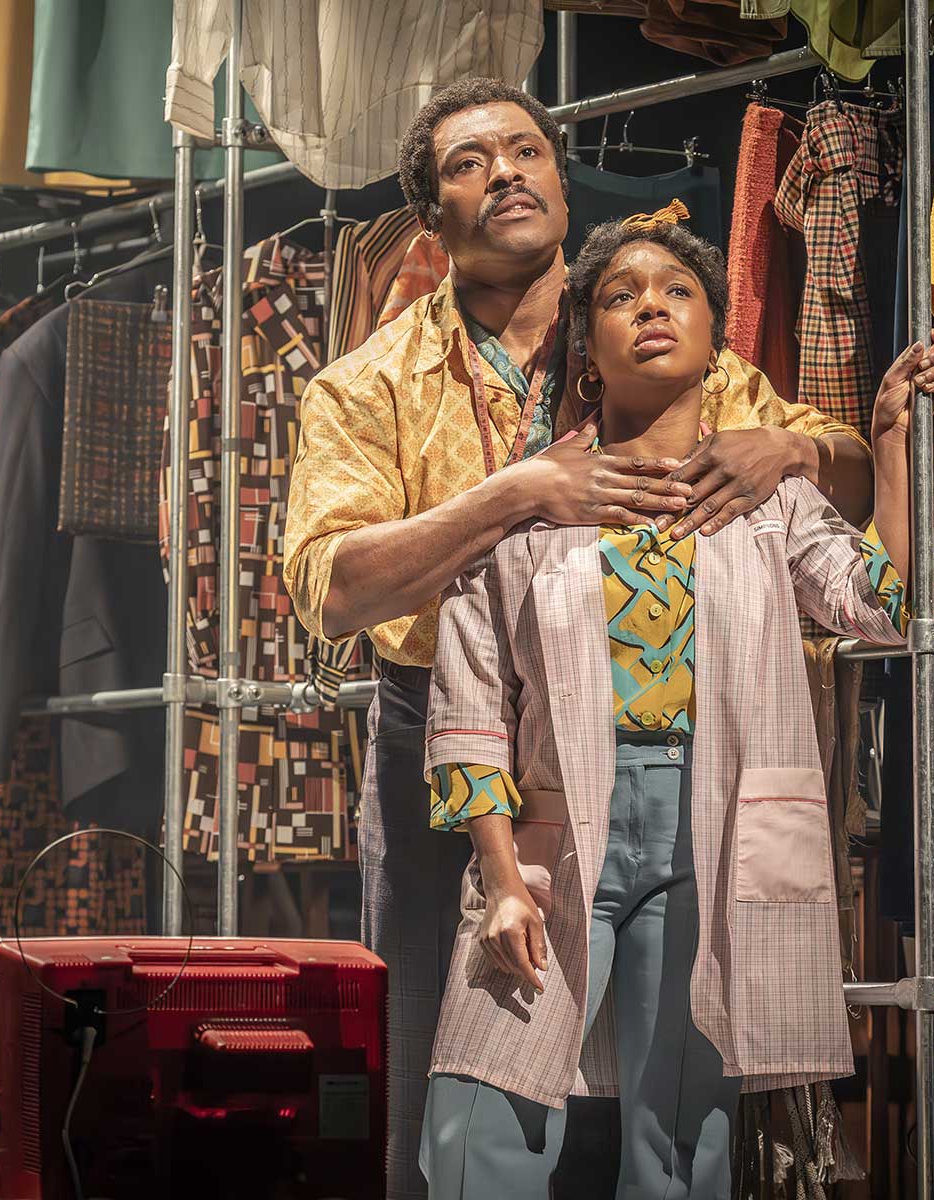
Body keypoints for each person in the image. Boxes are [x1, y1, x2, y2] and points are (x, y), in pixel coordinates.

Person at [283, 78, 879, 1199]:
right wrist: (510, 496)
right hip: (452, 742)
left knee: (668, 1075)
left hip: (663, 741)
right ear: (430, 214)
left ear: (561, 177)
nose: (505, 171)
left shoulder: (644, 316)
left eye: (525, 151)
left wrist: (793, 454)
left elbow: (834, 471)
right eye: (469, 162)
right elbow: (330, 587)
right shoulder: (368, 385)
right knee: (453, 1080)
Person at [415, 213, 934, 1198]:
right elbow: (471, 706)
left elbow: (890, 609)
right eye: (620, 295)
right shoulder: (528, 502)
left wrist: (884, 450)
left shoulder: (768, 503)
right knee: (483, 1111)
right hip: (547, 834)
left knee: (681, 1134)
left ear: (714, 339)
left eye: (676, 292)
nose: (650, 306)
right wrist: (497, 879)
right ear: (589, 347)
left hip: (708, 830)